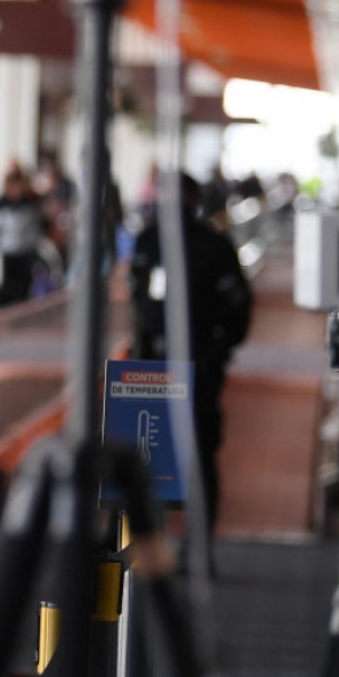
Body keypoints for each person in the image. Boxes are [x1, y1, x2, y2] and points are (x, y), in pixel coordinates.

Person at [128, 173, 253, 533]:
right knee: (148, 451)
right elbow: (140, 301)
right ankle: (147, 537)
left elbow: (238, 307)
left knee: (199, 447)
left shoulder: (214, 246)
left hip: (199, 365)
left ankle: (200, 533)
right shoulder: (148, 242)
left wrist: (216, 352)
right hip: (151, 365)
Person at [0, 162, 48, 306]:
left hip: (26, 254)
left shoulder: (30, 204)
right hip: (7, 256)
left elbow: (39, 228)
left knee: (24, 292)